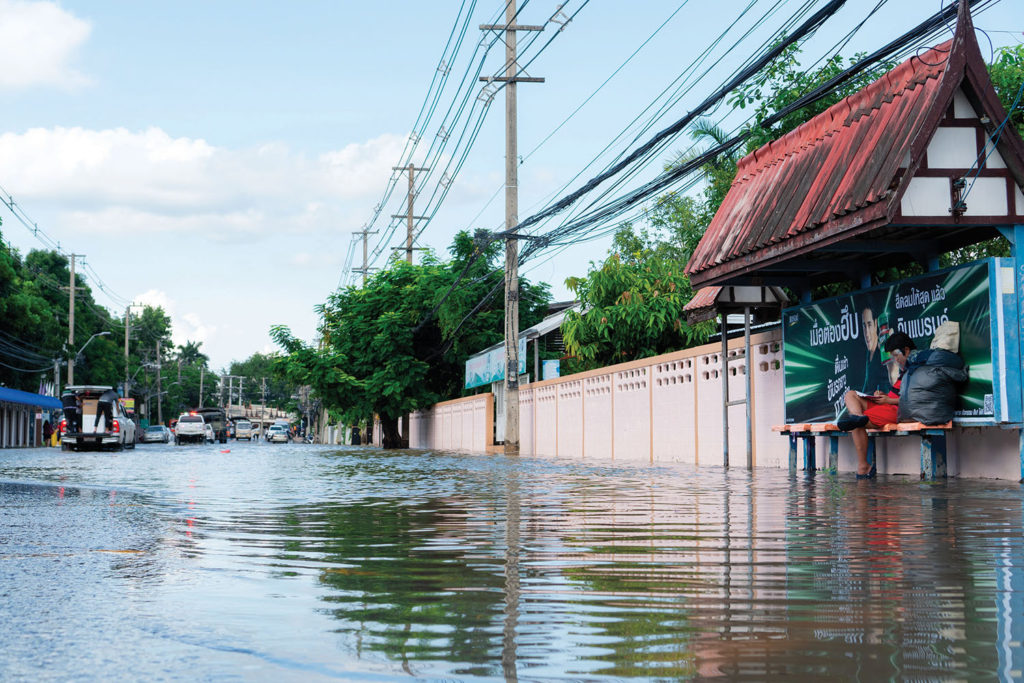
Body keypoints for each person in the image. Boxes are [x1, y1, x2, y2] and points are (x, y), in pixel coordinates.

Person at [837, 332, 917, 478]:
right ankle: (857, 417)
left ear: (906, 350)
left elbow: (917, 398)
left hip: (896, 410)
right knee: (850, 395)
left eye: (896, 355)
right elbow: (897, 393)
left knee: (855, 423)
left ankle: (863, 467)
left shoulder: (917, 368)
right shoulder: (905, 369)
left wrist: (889, 401)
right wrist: (884, 396)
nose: (895, 359)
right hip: (886, 404)